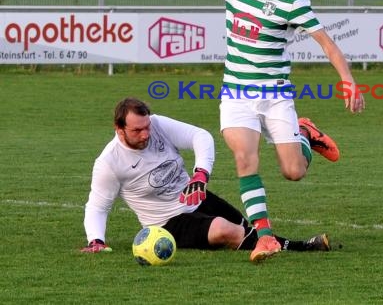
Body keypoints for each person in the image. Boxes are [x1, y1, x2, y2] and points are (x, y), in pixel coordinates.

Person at [178, 0, 365, 262]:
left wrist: (348, 80)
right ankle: (265, 237)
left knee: (293, 172)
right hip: (236, 94)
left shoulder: (292, 0)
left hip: (275, 95)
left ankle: (305, 133)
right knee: (245, 158)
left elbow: (327, 44)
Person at [80, 97, 331, 257]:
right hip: (168, 223)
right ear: (119, 129)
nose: (146, 134)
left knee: (250, 227)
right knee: (228, 231)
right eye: (137, 130)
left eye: (146, 127)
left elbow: (200, 136)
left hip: (196, 197)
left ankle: (303, 135)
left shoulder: (156, 125)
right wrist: (96, 241)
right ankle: (303, 247)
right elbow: (98, 206)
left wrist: (200, 173)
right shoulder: (109, 162)